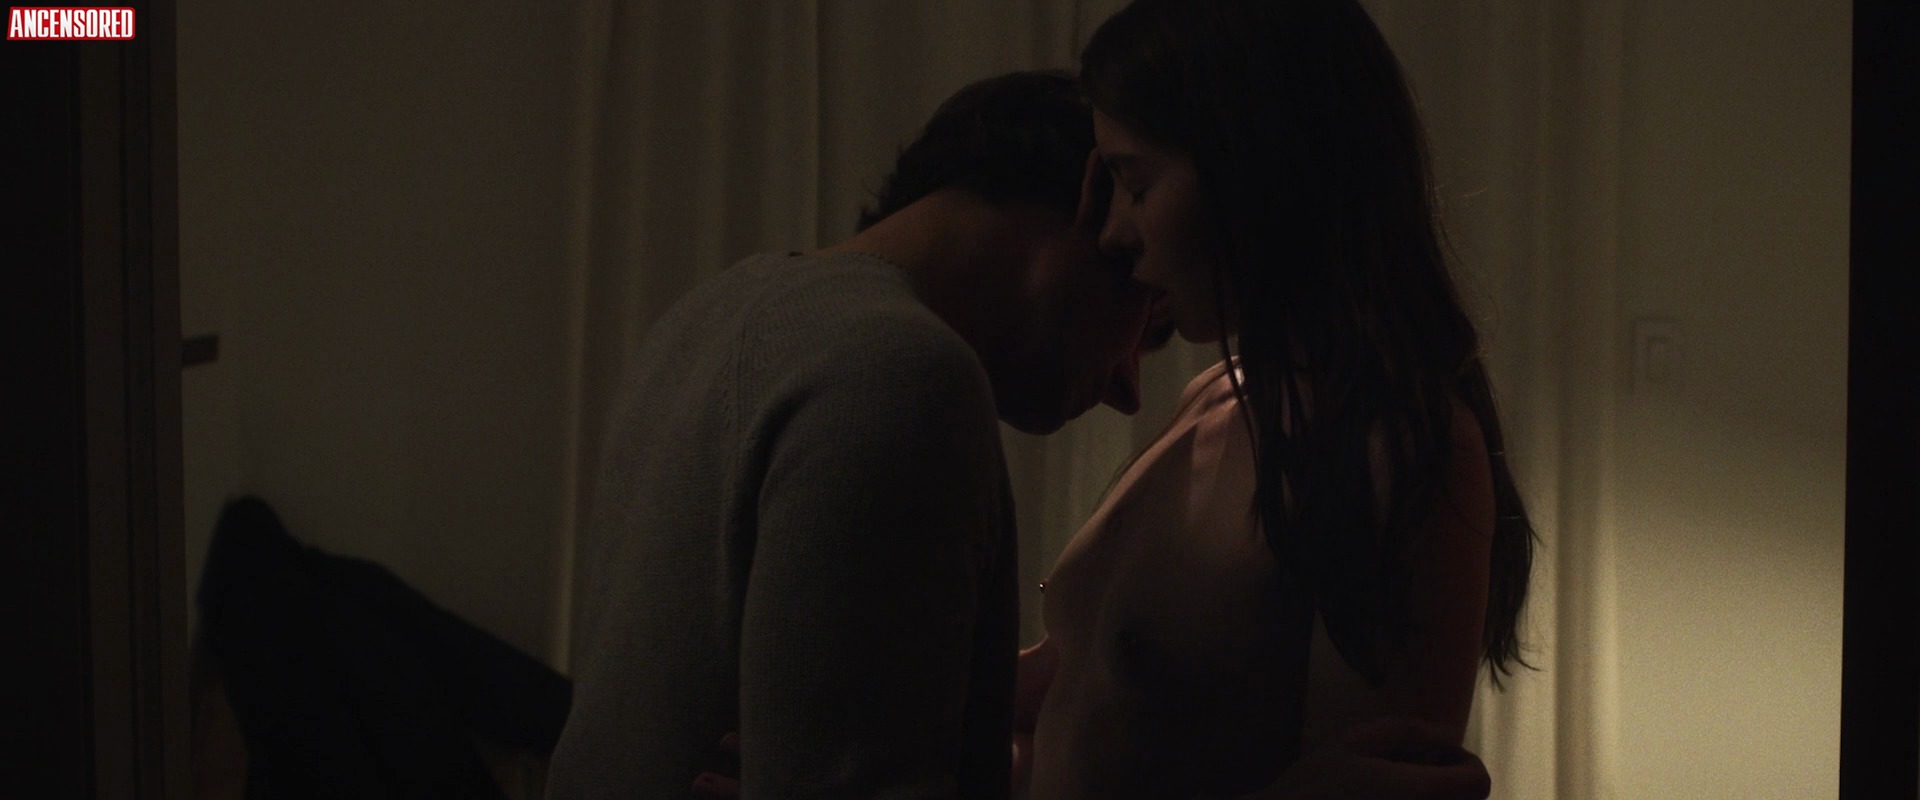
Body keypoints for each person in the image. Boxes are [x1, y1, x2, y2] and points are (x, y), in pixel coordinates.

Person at [543, 69, 1164, 800]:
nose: (1129, 389)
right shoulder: (900, 371)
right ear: (1095, 198)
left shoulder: (707, 315)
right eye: (1149, 326)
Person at [1011, 1, 1540, 798]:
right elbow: (1083, 694)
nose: (1114, 231)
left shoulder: (1389, 447)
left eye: (1136, 183)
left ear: (1254, 166)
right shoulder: (1219, 399)